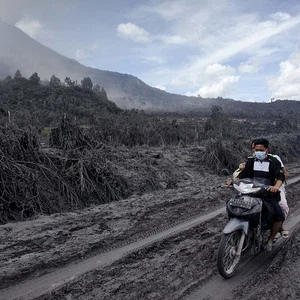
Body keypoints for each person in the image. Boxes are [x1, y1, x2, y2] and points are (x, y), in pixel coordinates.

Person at [229, 138, 285, 251]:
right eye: (256, 150)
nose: (257, 152)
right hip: (252, 192)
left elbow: (280, 177)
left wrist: (275, 187)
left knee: (279, 215)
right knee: (233, 205)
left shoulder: (274, 162)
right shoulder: (250, 161)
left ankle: (270, 239)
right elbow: (243, 174)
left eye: (261, 150)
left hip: (267, 194)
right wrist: (233, 181)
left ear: (267, 150)